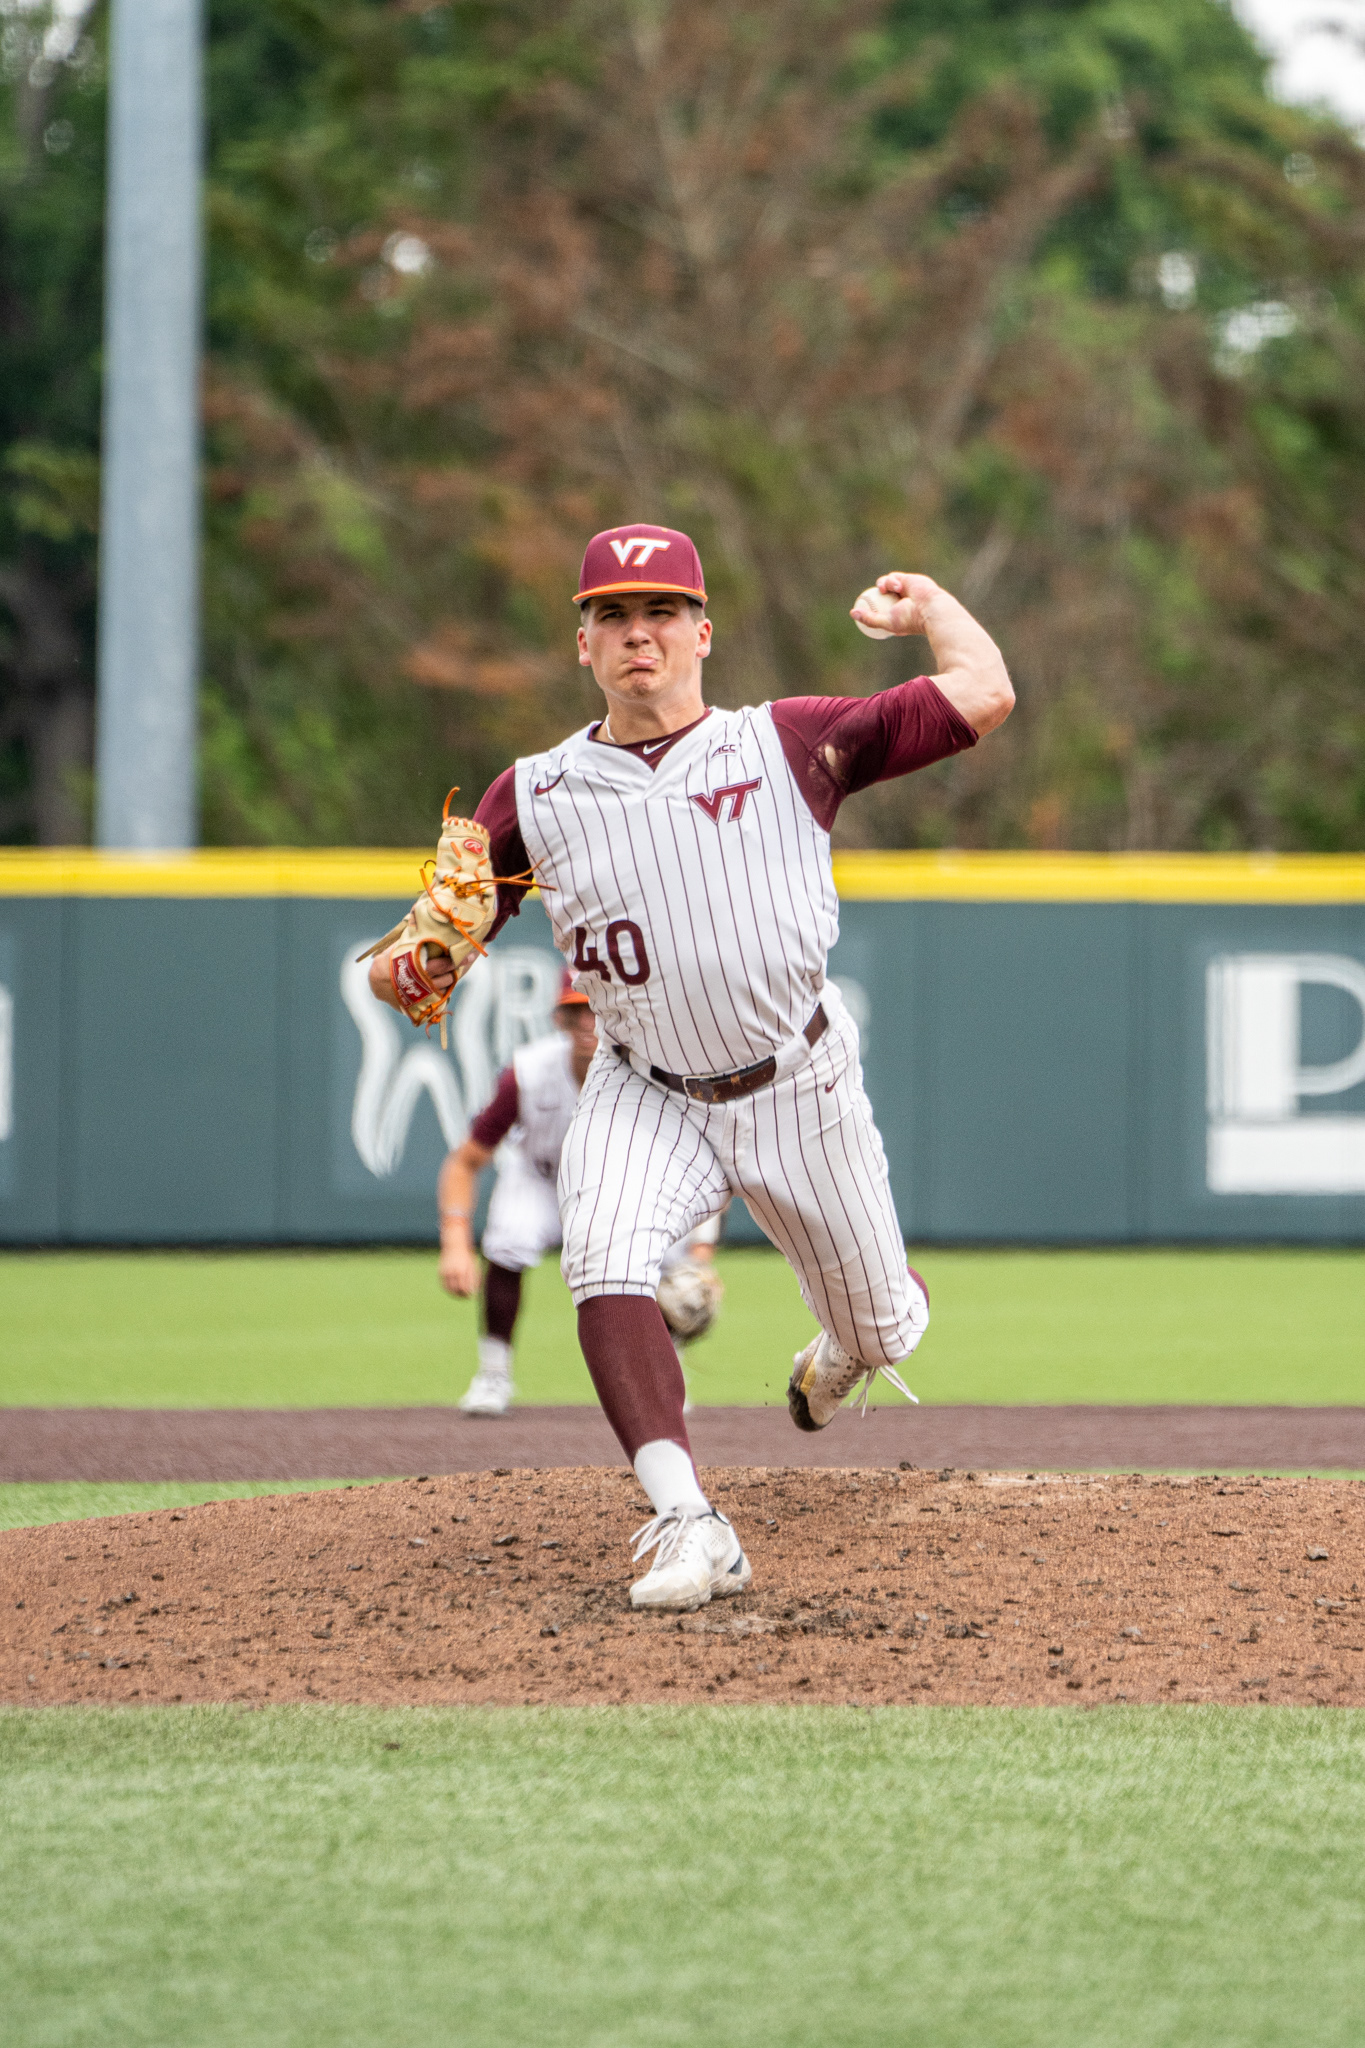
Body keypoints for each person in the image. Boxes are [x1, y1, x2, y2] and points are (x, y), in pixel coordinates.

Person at [371, 525, 1013, 1611]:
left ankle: (860, 1332)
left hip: (799, 1083)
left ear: (703, 632)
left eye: (662, 612)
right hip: (643, 1084)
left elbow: (983, 693)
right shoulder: (529, 797)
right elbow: (415, 965)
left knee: (879, 1328)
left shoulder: (792, 741)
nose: (639, 634)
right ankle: (688, 1518)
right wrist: (409, 962)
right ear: (582, 645)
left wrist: (932, 602)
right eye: (612, 616)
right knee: (602, 1257)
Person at [438, 969, 724, 1415]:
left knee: (672, 1260)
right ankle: (493, 1375)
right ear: (560, 1019)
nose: (590, 1021)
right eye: (577, 1010)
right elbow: (466, 1160)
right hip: (543, 1181)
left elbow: (696, 1162)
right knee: (511, 1234)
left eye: (598, 1008)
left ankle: (666, 1370)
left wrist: (702, 1256)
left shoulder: (656, 1073)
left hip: (617, 1189)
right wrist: (455, 1240)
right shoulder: (529, 1072)